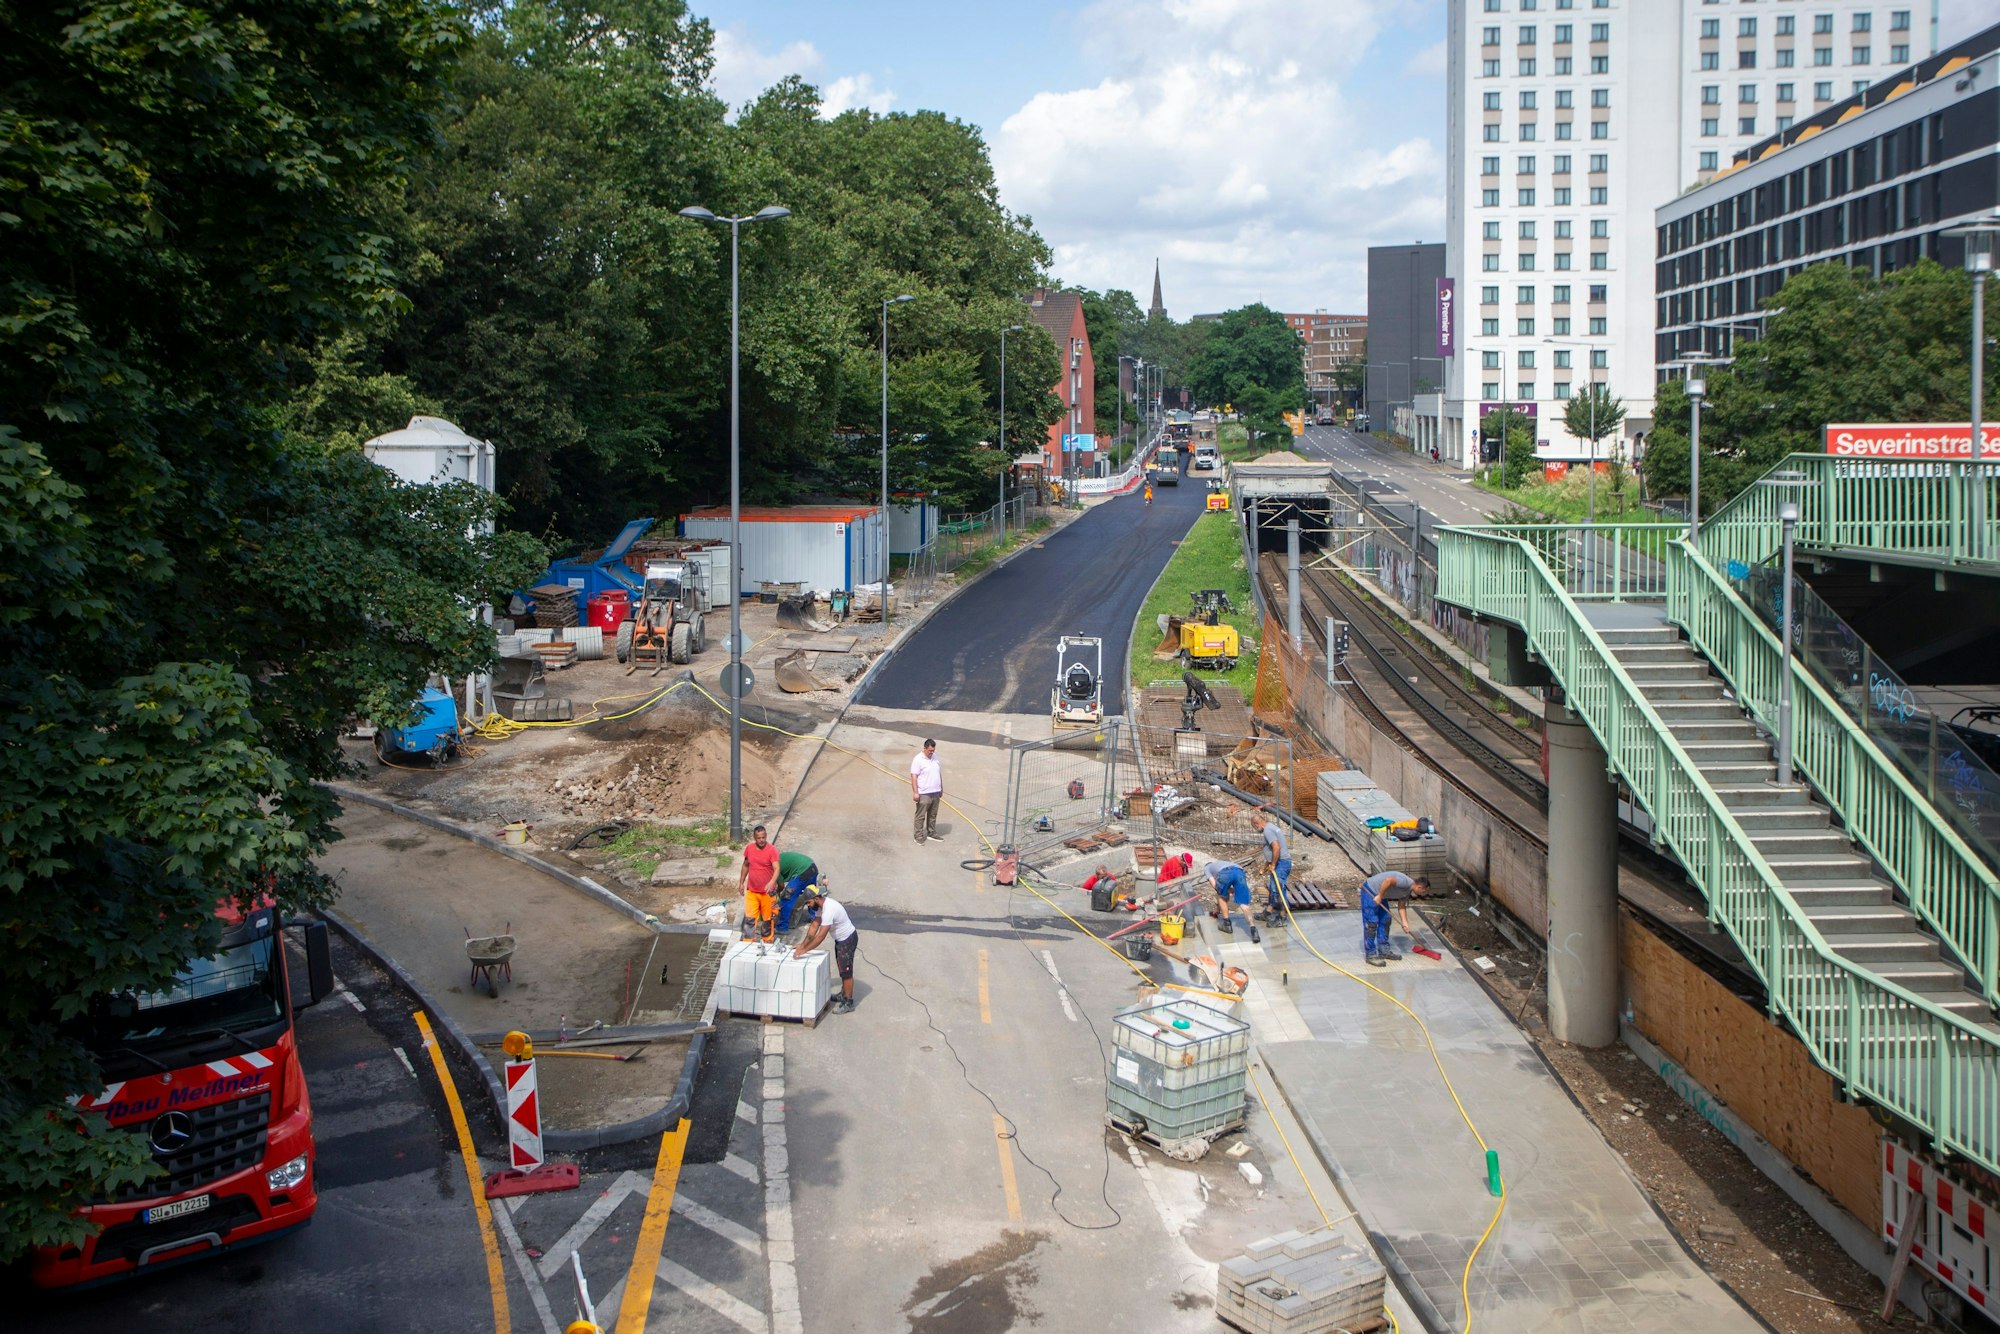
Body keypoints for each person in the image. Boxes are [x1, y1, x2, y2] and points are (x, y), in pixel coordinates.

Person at [794, 891, 859, 1013]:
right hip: (841, 940)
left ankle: (849, 1002)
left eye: (808, 902)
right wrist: (802, 946)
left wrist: (805, 951)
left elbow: (820, 936)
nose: (808, 905)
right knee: (842, 968)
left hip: (847, 940)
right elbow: (814, 926)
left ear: (816, 898)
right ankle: (843, 994)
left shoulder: (829, 909)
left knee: (846, 972)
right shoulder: (820, 907)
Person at [1359, 871, 1429, 966]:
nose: (1423, 894)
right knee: (1371, 923)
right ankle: (1370, 955)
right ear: (1420, 887)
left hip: (1381, 894)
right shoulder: (1405, 882)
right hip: (1370, 891)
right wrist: (1379, 896)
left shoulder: (1408, 891)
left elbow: (1401, 906)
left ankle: (1384, 950)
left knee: (1386, 920)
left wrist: (1405, 923)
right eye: (1423, 891)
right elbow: (1388, 880)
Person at [739, 824, 781, 942]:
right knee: (750, 920)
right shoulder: (749, 849)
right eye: (759, 838)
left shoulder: (772, 850)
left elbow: (777, 868)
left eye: (763, 837)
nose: (761, 840)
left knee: (767, 920)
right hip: (752, 891)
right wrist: (741, 883)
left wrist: (772, 882)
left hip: (767, 893)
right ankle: (748, 943)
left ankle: (768, 942)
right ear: (754, 837)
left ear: (766, 836)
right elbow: (746, 865)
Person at [1203, 861, 1261, 943]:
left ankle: (1227, 924)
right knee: (1243, 903)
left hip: (1226, 874)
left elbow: (1216, 887)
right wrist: (1217, 910)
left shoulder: (1207, 868)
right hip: (1239, 872)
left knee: (1221, 896)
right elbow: (1234, 876)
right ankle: (1253, 929)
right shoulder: (1221, 863)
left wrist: (1224, 891)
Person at [1251, 812, 1292, 922]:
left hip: (1281, 863)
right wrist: (1266, 866)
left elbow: (1276, 848)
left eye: (1255, 827)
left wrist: (1273, 864)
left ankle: (1282, 917)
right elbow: (1271, 851)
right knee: (1274, 889)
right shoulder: (1272, 827)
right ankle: (1268, 912)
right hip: (1281, 863)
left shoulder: (1268, 831)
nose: (1257, 829)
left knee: (1278, 890)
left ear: (1256, 824)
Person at [773, 849, 820, 933]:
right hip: (812, 867)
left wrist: (777, 893)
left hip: (803, 872)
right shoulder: (777, 858)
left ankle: (782, 927)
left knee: (787, 897)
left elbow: (781, 885)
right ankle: (815, 918)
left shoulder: (773, 866)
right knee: (811, 894)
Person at [910, 738, 943, 844]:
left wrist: (941, 788)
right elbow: (914, 776)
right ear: (924, 748)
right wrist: (915, 792)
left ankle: (931, 833)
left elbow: (938, 773)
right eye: (930, 751)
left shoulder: (935, 757)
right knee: (921, 815)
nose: (931, 753)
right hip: (924, 793)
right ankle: (918, 836)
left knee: (933, 814)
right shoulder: (918, 759)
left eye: (933, 751)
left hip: (935, 792)